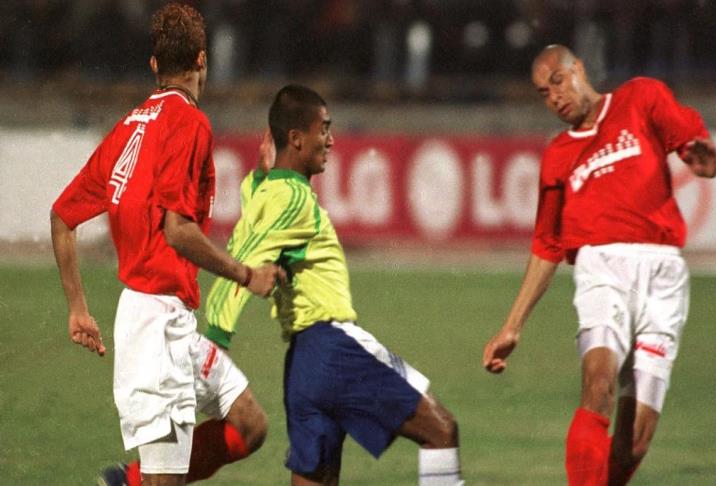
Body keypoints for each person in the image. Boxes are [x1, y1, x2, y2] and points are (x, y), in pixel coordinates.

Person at [50, 4, 286, 485]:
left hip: (171, 323)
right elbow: (178, 231)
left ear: (154, 65)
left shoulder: (129, 126)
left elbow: (61, 218)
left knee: (250, 424)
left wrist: (78, 308)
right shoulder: (190, 123)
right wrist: (246, 275)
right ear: (202, 59)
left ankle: (127, 481)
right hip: (156, 332)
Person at [203, 84, 465, 485]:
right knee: (442, 431)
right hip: (334, 348)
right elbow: (245, 265)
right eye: (323, 129)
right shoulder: (295, 199)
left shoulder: (267, 192)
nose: (331, 140)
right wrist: (217, 339)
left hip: (303, 369)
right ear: (296, 138)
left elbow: (247, 238)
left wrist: (258, 175)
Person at [482, 44, 716, 486]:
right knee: (598, 383)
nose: (554, 97)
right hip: (602, 268)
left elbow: (688, 140)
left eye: (557, 81)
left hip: (663, 275)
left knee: (635, 442)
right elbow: (548, 243)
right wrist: (512, 325)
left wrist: (701, 156)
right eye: (543, 93)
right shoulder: (558, 155)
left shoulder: (640, 97)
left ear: (579, 69)